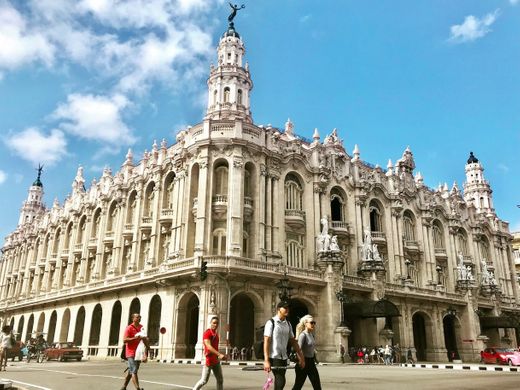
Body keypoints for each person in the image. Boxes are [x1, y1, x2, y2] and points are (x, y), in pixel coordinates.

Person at [263, 301, 305, 390]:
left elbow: (293, 341)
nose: (287, 310)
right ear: (279, 309)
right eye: (285, 308)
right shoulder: (271, 323)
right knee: (280, 380)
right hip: (274, 356)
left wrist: (300, 356)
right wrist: (266, 360)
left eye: (288, 308)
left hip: (284, 357)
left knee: (280, 382)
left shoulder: (288, 324)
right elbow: (266, 341)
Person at [193, 316, 227, 390]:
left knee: (220, 380)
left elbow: (215, 347)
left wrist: (221, 356)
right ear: (210, 323)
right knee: (204, 381)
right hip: (209, 360)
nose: (215, 325)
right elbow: (208, 346)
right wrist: (219, 354)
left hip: (216, 360)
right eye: (214, 323)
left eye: (217, 323)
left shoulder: (215, 334)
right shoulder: (207, 333)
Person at [291, 315, 322, 390]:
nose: (313, 324)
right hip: (303, 362)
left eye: (314, 322)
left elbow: (311, 348)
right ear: (305, 323)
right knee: (298, 385)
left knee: (317, 385)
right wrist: (301, 361)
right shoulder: (303, 335)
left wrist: (315, 358)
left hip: (311, 362)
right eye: (311, 323)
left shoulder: (311, 334)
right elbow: (299, 349)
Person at [121, 313, 149, 390]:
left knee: (131, 370)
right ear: (133, 318)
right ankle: (138, 388)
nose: (139, 318)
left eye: (140, 317)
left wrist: (148, 348)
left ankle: (124, 386)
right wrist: (135, 338)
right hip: (130, 352)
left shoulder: (141, 327)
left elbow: (144, 338)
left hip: (139, 352)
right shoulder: (129, 328)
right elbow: (124, 340)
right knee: (134, 370)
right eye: (137, 317)